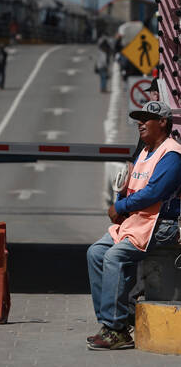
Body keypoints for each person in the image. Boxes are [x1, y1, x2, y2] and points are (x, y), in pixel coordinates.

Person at [86, 100, 181, 350]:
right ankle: (111, 323)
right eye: (138, 118)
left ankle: (117, 328)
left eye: (146, 118)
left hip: (161, 225)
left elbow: (153, 193)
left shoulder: (172, 154)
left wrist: (119, 208)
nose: (140, 123)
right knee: (95, 253)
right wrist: (120, 204)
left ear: (162, 122)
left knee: (114, 257)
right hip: (137, 223)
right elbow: (130, 186)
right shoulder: (144, 152)